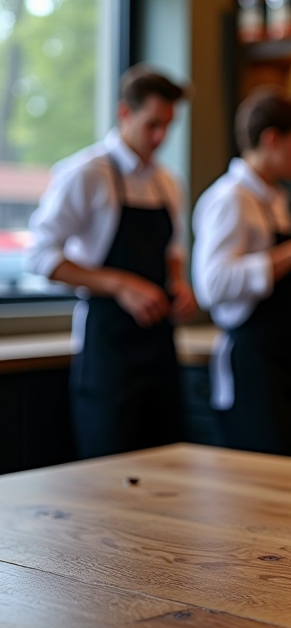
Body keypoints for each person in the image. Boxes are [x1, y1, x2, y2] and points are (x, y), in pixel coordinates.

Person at [27, 65, 194, 459]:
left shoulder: (167, 182)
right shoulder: (85, 174)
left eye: (168, 126)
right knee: (107, 468)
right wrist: (122, 284)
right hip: (108, 350)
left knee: (167, 464)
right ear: (124, 113)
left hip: (160, 345)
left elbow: (172, 249)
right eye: (152, 124)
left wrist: (178, 283)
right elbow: (41, 256)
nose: (160, 137)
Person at [192, 88, 291, 456]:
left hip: (280, 357)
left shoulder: (272, 199)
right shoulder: (230, 200)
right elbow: (212, 285)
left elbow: (260, 273)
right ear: (271, 139)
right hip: (251, 365)